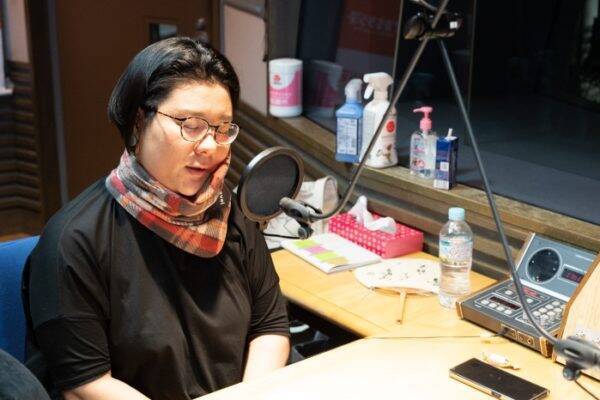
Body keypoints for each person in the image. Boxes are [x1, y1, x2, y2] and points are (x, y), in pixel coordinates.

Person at [22, 37, 291, 399]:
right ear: (139, 121)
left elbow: (269, 326)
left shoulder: (228, 212)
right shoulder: (73, 240)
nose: (210, 146)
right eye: (191, 125)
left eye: (222, 128)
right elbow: (86, 384)